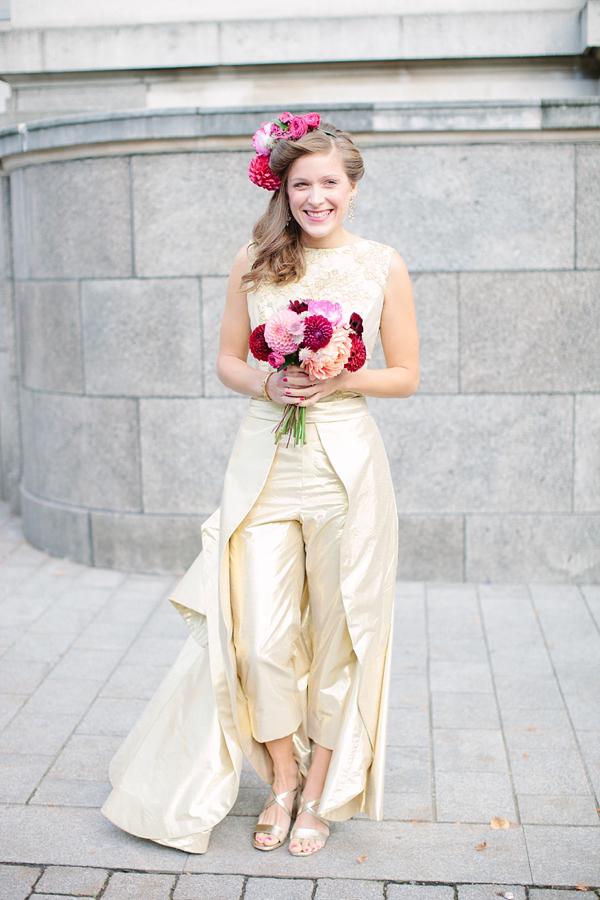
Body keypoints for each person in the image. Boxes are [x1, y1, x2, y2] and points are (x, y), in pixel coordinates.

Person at [101, 111, 419, 858]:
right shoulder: (255, 258)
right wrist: (268, 387)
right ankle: (282, 773)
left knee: (344, 631)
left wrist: (341, 376)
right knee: (259, 640)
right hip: (264, 466)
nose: (316, 197)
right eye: (301, 183)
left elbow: (405, 375)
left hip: (347, 470)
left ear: (352, 186)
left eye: (329, 183)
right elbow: (228, 362)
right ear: (283, 187)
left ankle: (318, 794)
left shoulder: (381, 265)